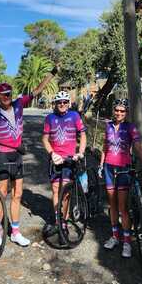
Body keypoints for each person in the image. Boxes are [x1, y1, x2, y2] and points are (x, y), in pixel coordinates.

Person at [0, 67, 58, 247]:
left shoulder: (19, 104)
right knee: (2, 192)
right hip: (2, 156)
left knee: (18, 194)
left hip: (17, 155)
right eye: (3, 94)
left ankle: (15, 232)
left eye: (9, 94)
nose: (6, 96)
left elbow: (37, 90)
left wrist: (51, 74)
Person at [99, 99, 142, 258]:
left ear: (126, 113)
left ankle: (127, 241)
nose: (119, 113)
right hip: (108, 167)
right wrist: (101, 164)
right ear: (114, 111)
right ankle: (115, 236)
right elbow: (105, 146)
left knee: (122, 207)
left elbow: (139, 146)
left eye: (122, 111)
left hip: (123, 168)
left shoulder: (130, 127)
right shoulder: (108, 126)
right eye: (117, 110)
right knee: (111, 204)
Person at [42, 90, 87, 236]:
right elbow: (44, 139)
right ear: (55, 103)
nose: (62, 104)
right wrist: (52, 153)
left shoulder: (74, 116)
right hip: (56, 160)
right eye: (59, 102)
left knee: (66, 193)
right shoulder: (50, 118)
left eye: (64, 102)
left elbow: (83, 135)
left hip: (69, 159)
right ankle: (57, 221)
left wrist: (80, 152)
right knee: (56, 190)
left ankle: (65, 221)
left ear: (68, 104)